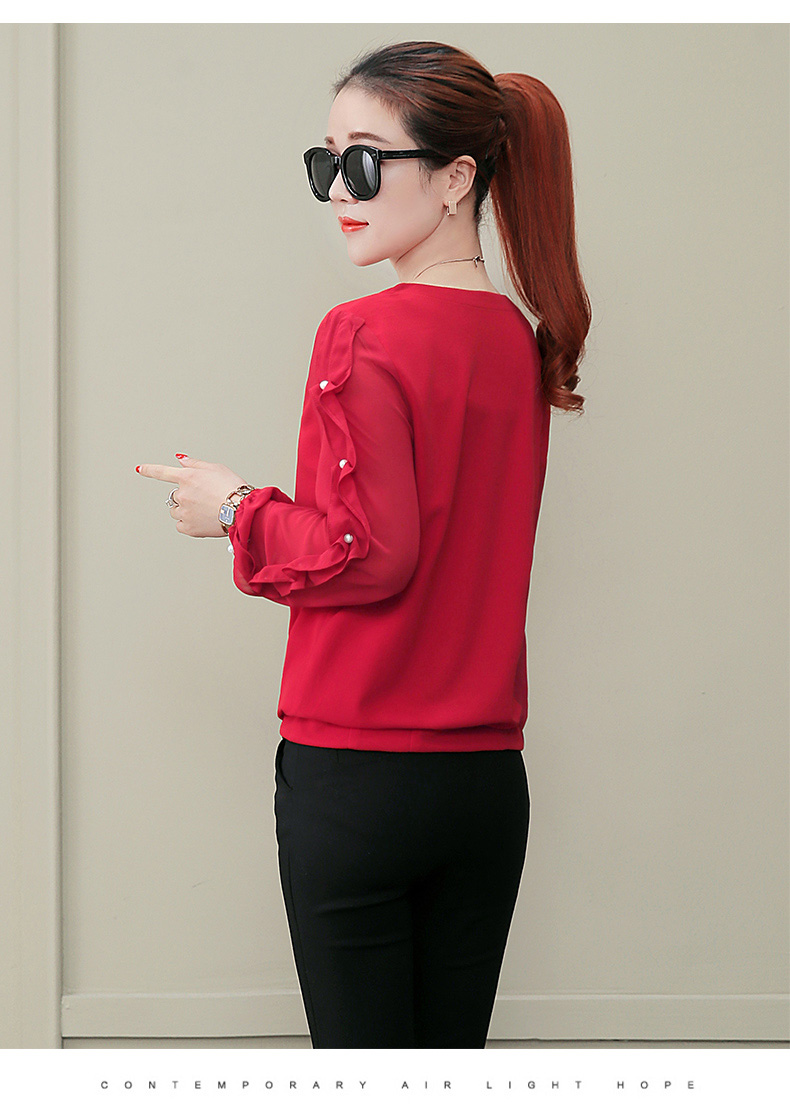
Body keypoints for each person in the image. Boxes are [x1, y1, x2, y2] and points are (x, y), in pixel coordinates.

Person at [137, 39, 591, 1048]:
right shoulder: (518, 339)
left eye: (363, 160)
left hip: (358, 775)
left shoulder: (363, 332)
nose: (339, 189)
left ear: (457, 177)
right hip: (485, 783)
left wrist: (234, 508)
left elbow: (368, 551)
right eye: (326, 162)